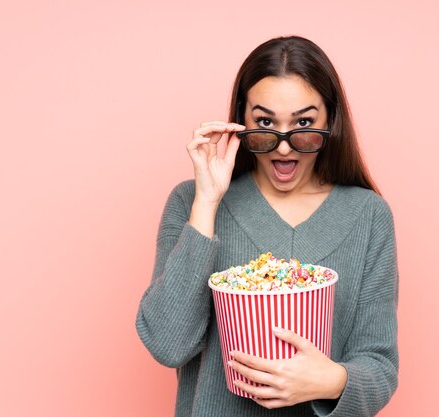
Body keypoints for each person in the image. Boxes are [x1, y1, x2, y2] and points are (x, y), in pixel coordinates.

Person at [136, 35, 399, 417]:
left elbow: (380, 366)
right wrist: (207, 202)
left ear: (331, 121)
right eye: (265, 123)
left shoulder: (369, 216)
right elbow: (167, 343)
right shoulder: (191, 203)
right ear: (241, 121)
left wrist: (329, 381)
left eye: (304, 123)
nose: (283, 147)